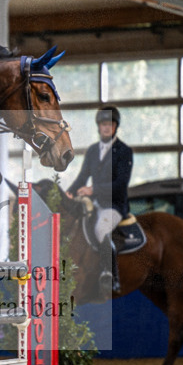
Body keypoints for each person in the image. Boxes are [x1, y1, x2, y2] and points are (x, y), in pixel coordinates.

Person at [67, 105, 133, 295]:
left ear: (115, 127)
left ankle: (110, 275)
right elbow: (82, 177)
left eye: (110, 124)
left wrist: (93, 189)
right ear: (98, 126)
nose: (106, 127)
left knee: (100, 229)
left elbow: (121, 183)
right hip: (95, 204)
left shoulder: (124, 151)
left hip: (114, 205)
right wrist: (69, 193)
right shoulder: (92, 150)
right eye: (103, 124)